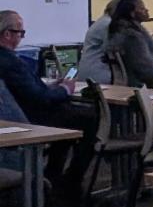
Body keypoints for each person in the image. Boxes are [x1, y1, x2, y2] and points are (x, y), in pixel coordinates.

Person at [0, 10, 97, 193]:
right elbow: (41, 99)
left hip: (20, 114)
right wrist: (65, 89)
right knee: (90, 119)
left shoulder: (7, 60)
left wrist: (51, 87)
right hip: (32, 118)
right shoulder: (12, 62)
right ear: (7, 34)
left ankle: (54, 173)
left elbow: (26, 90)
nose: (22, 37)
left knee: (71, 118)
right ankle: (72, 179)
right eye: (21, 33)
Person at [104, 0, 153, 89]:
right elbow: (144, 68)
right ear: (132, 13)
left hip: (131, 79)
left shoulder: (118, 31)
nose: (146, 10)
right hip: (138, 83)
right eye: (142, 8)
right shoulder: (132, 37)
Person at [77, 0, 121, 84]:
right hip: (99, 74)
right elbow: (118, 49)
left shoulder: (102, 22)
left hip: (90, 71)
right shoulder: (108, 25)